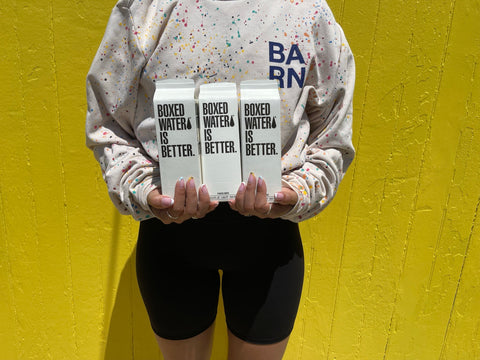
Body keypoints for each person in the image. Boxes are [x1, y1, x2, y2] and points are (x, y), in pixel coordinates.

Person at [86, 0, 355, 359]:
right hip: (170, 235)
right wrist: (143, 189)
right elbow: (107, 122)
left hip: (270, 242)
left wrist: (301, 189)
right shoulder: (146, 9)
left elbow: (332, 132)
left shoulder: (305, 10)